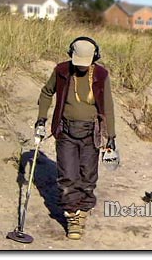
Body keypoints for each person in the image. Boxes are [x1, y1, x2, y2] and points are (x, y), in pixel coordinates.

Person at [34, 36, 116, 240]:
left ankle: (84, 208)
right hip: (65, 132)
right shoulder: (61, 71)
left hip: (91, 133)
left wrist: (111, 136)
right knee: (68, 177)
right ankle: (72, 217)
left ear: (95, 57)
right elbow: (46, 93)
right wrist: (41, 119)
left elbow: (108, 106)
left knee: (88, 177)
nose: (81, 67)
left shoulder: (100, 74)